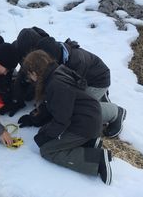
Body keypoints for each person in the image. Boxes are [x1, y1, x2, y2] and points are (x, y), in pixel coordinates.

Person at [19, 50, 112, 185]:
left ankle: (98, 160)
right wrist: (33, 118)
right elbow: (52, 105)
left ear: (34, 72)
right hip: (86, 117)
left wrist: (43, 137)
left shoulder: (56, 84)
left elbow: (61, 120)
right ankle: (88, 143)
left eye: (29, 74)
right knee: (46, 134)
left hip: (85, 124)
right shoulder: (55, 73)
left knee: (47, 150)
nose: (29, 79)